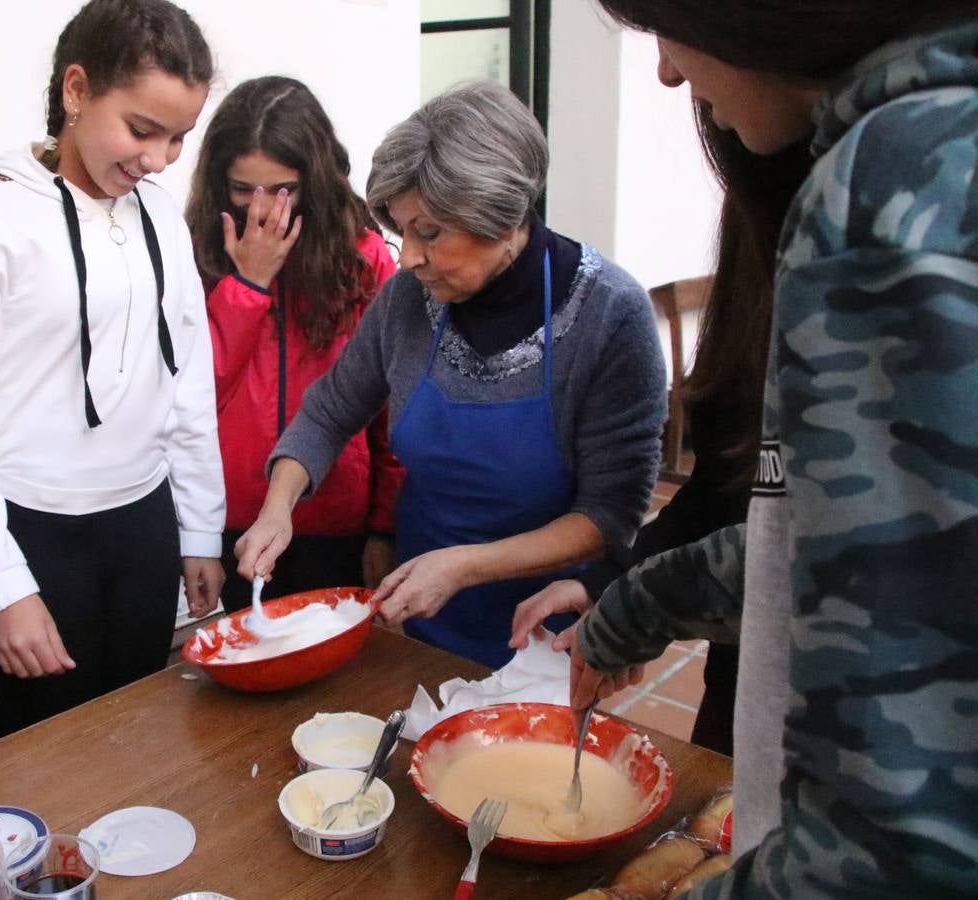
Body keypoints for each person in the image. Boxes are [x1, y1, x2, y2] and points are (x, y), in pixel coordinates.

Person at [567, 3, 978, 896]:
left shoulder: (883, 188)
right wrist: (639, 602)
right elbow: (870, 564)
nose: (672, 74)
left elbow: (891, 851)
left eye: (663, 25)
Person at [236, 80, 667, 669]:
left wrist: (464, 564)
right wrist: (278, 506)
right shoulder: (408, 302)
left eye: (430, 232)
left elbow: (607, 518)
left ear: (501, 215)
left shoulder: (610, 314)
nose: (408, 256)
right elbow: (329, 410)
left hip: (544, 628)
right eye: (401, 230)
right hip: (421, 611)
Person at [0, 0, 223, 751]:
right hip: (34, 538)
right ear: (75, 91)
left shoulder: (161, 215)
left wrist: (200, 528)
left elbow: (188, 379)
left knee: (144, 734)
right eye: (142, 130)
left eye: (179, 138)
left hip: (144, 524)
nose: (158, 159)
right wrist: (6, 590)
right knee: (42, 758)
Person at [510, 103, 813, 755]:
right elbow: (716, 499)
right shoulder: (757, 292)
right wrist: (608, 580)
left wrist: (641, 606)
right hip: (740, 705)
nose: (666, 78)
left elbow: (810, 548)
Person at [185, 76, 403, 611]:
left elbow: (392, 404)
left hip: (337, 517)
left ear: (315, 181)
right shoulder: (191, 249)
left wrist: (385, 526)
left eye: (282, 189)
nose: (261, 209)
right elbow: (192, 394)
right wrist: (247, 285)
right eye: (242, 189)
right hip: (232, 517)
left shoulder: (365, 257)